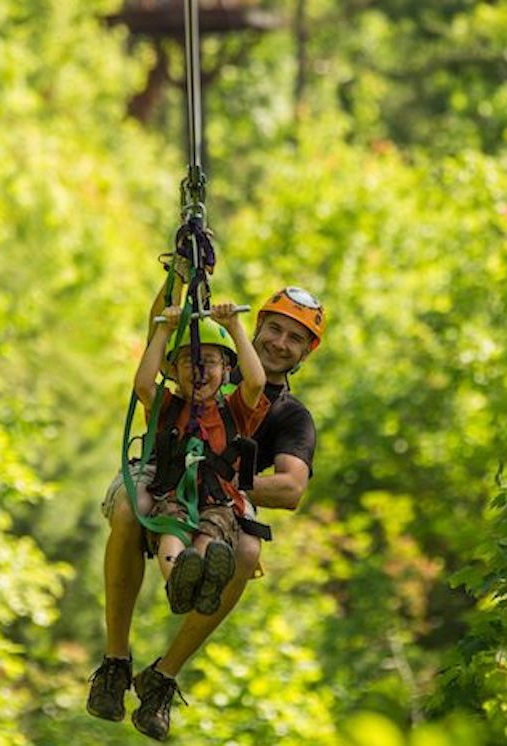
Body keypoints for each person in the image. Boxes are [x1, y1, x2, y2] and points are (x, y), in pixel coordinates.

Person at [89, 284, 326, 741]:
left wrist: (219, 476)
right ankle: (115, 660)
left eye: (294, 339)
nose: (280, 343)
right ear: (257, 327)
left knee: (248, 552)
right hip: (162, 471)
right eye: (274, 329)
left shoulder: (290, 415)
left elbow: (292, 486)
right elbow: (157, 337)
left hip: (221, 495)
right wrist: (177, 277)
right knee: (128, 508)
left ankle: (162, 678)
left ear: (305, 352)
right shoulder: (209, 355)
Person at [133, 304, 266, 617]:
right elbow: (142, 385)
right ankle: (177, 583)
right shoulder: (167, 407)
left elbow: (257, 381)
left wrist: (234, 326)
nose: (199, 370)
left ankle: (205, 581)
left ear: (225, 370)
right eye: (188, 362)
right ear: (175, 372)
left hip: (218, 500)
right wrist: (163, 330)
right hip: (173, 495)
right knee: (171, 529)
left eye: (209, 362)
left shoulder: (235, 410)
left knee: (212, 536)